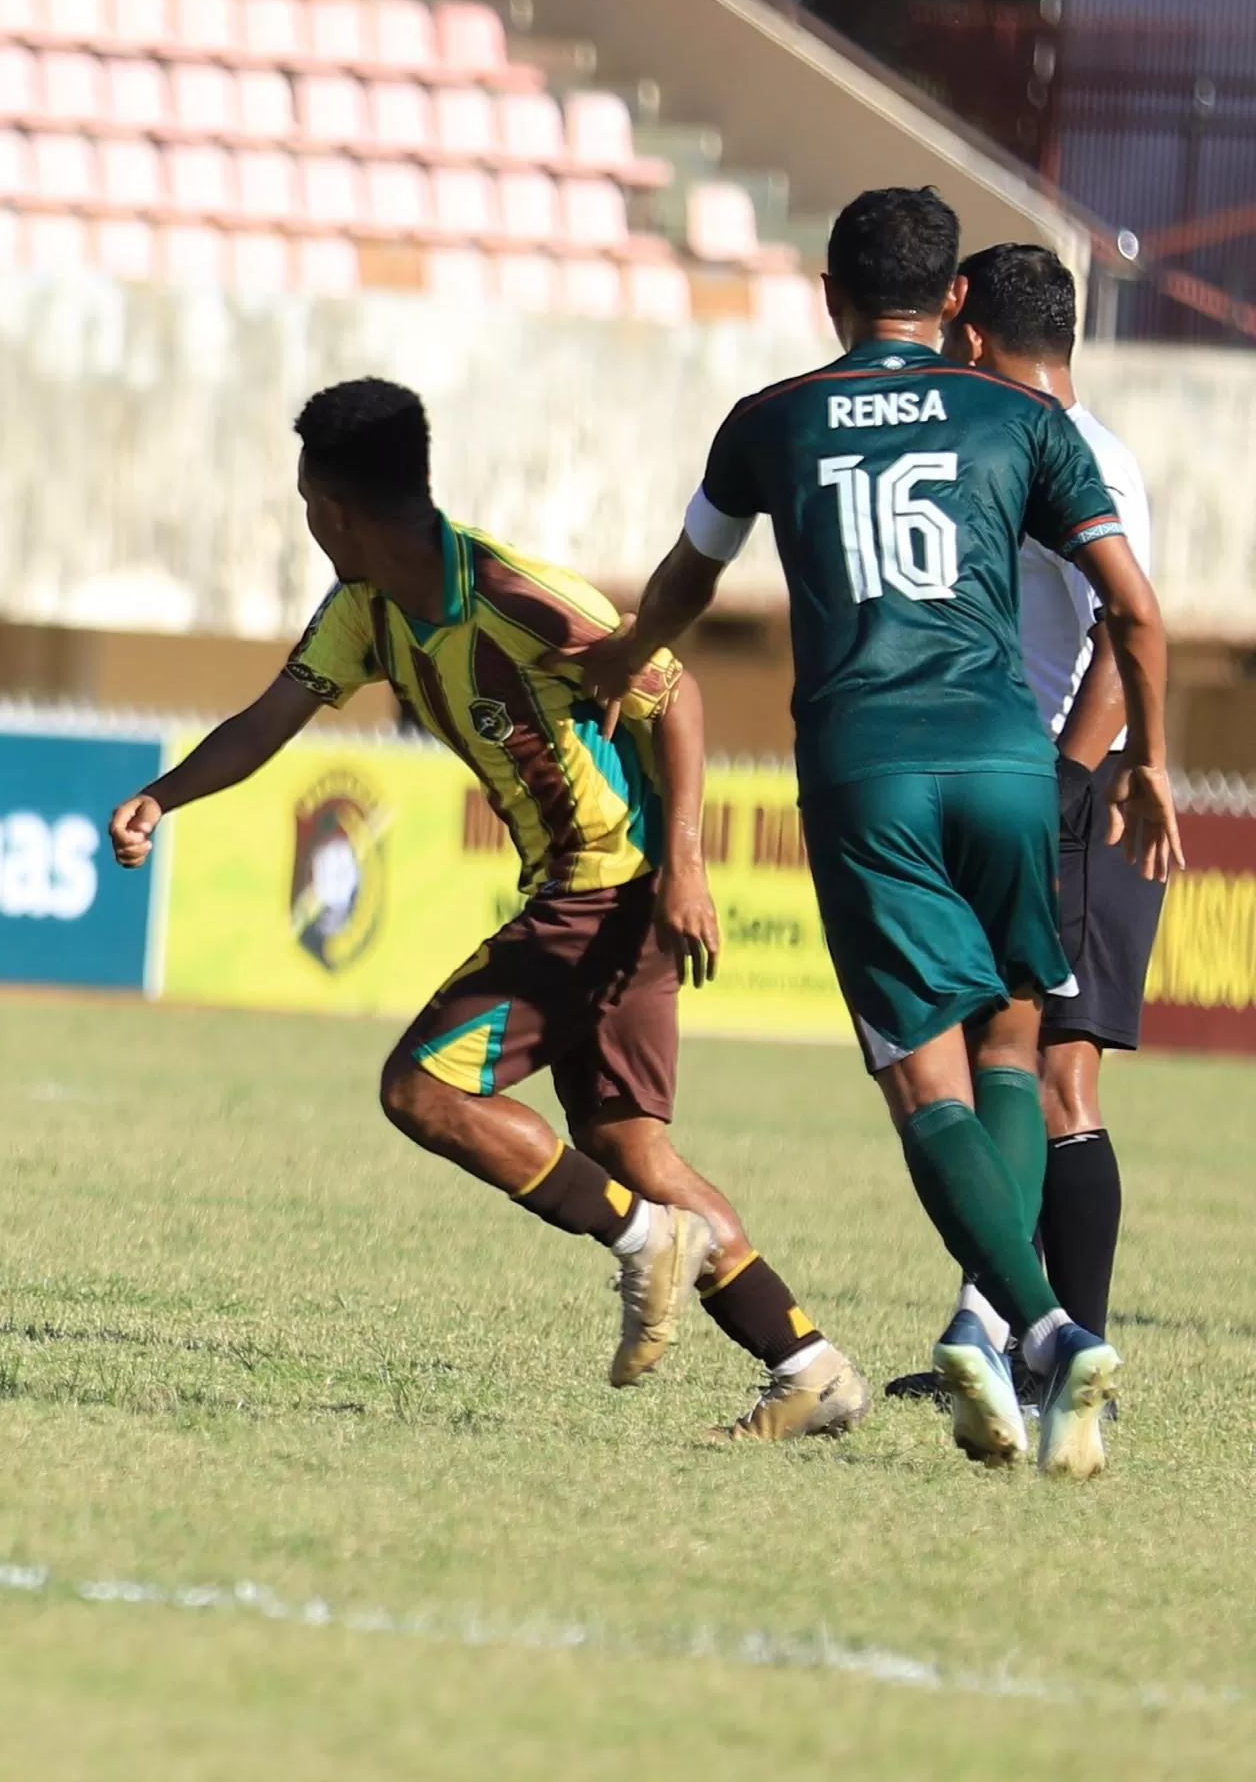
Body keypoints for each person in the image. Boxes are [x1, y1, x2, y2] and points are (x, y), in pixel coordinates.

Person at [108, 380, 861, 1438]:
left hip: (604, 889)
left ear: (331, 511)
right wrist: (163, 794)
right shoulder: (364, 612)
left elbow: (674, 692)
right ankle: (809, 1364)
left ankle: (647, 1241)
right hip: (599, 895)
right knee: (630, 1149)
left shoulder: (517, 596)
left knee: (421, 1088)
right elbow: (268, 719)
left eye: (305, 505)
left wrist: (684, 864)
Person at [591, 187, 1181, 1478]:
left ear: (826, 290)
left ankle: (1040, 1324)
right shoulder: (1027, 419)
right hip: (1008, 762)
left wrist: (628, 653)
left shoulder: (772, 419)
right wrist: (1152, 764)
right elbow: (1134, 611)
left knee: (925, 1073)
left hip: (869, 768)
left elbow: (689, 574)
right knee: (1018, 1031)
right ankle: (1029, 1323)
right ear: (953, 299)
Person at [879, 243, 1165, 1407]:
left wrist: (1066, 776)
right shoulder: (1047, 444)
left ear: (974, 336)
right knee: (1009, 1070)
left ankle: (1061, 1356)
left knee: (1055, 1084)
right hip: (1029, 786)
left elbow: (1124, 628)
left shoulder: (1070, 455)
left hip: (1069, 796)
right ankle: (1005, 1345)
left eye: (952, 343)